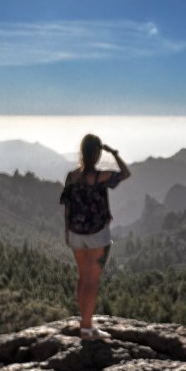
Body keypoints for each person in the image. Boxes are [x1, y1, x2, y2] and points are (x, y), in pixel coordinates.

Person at [60, 134, 130, 340]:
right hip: (97, 234)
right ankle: (87, 328)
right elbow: (125, 173)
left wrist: (67, 230)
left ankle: (85, 321)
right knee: (92, 281)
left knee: (83, 278)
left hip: (75, 233)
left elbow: (68, 205)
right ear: (97, 154)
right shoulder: (101, 176)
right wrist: (114, 153)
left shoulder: (71, 176)